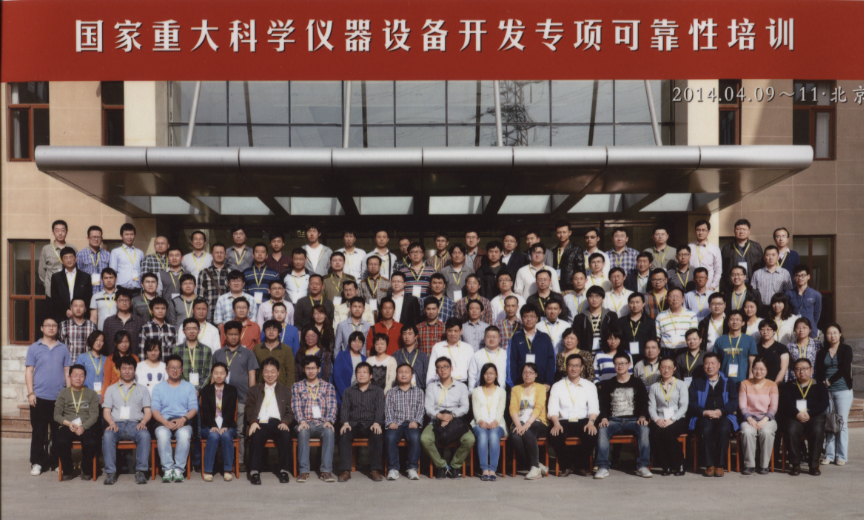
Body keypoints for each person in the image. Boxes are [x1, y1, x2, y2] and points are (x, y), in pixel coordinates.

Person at [25, 317, 71, 475]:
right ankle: (37, 462)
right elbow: (29, 371)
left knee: (58, 432)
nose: (51, 328)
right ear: (42, 328)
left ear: (58, 328)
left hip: (59, 397)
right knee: (39, 431)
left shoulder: (63, 348)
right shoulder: (34, 348)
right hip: (39, 396)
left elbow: (67, 371)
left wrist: (68, 394)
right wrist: (31, 392)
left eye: (54, 325)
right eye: (48, 325)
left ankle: (55, 461)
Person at [595, 351, 652, 479]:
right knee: (602, 430)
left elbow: (644, 402)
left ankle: (643, 466)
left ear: (629, 364)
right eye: (617, 364)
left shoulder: (637, 383)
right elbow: (602, 404)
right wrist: (603, 417)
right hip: (613, 420)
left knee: (644, 429)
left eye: (623, 363)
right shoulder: (608, 384)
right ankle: (603, 467)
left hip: (633, 420)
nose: (620, 366)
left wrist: (642, 416)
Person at [212, 320, 258, 468]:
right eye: (230, 334)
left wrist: (251, 397)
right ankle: (221, 460)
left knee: (239, 431)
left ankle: (240, 461)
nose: (233, 337)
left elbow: (252, 376)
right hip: (220, 400)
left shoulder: (248, 353)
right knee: (220, 429)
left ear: (240, 335)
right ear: (225, 335)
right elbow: (213, 376)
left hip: (242, 398)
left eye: (236, 334)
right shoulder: (218, 353)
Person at [101, 355, 151, 485]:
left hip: (135, 425)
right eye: (124, 368)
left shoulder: (143, 389)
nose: (127, 371)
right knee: (107, 435)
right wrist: (111, 423)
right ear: (119, 370)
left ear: (134, 370)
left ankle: (141, 471)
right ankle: (111, 472)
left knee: (145, 435)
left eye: (130, 368)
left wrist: (143, 422)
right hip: (116, 425)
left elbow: (147, 411)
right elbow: (106, 411)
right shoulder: (111, 389)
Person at [422, 357, 475, 479]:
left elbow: (465, 407)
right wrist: (440, 416)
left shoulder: (461, 386)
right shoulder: (431, 387)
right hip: (436, 420)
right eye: (439, 367)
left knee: (469, 439)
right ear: (436, 371)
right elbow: (428, 407)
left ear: (451, 368)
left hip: (455, 420)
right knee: (425, 439)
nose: (443, 370)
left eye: (445, 367)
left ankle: (454, 466)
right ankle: (441, 465)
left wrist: (451, 416)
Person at [688, 352, 739, 477]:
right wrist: (704, 412)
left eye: (713, 363)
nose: (709, 366)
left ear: (719, 365)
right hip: (704, 415)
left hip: (724, 415)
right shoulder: (697, 383)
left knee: (724, 429)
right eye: (706, 363)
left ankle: (720, 465)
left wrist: (722, 411)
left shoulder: (728, 382)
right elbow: (691, 402)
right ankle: (709, 465)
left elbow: (734, 402)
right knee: (706, 429)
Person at [547, 354, 599, 477]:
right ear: (566, 367)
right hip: (563, 421)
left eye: (577, 366)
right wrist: (556, 423)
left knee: (592, 433)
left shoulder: (590, 386)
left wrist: (591, 422)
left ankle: (581, 465)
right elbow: (552, 409)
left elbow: (594, 408)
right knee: (554, 434)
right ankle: (566, 466)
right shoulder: (557, 386)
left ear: (582, 368)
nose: (573, 368)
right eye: (571, 365)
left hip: (583, 420)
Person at [245, 357, 294, 484]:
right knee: (256, 435)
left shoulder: (285, 391)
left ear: (278, 373)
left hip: (278, 422)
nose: (270, 374)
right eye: (266, 371)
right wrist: (253, 421)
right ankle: (254, 472)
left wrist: (285, 422)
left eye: (273, 371)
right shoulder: (254, 390)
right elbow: (249, 408)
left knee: (285, 435)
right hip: (260, 422)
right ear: (262, 373)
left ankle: (284, 471)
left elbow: (290, 411)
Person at [151, 354, 198, 482]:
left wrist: (183, 419)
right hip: (163, 422)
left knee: (184, 434)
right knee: (162, 434)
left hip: (183, 421)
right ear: (166, 369)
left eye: (178, 367)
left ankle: (178, 470)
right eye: (171, 367)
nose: (175, 370)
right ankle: (167, 469)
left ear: (182, 369)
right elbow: (155, 410)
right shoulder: (158, 388)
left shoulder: (189, 387)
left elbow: (194, 408)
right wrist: (165, 422)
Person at [292, 356, 338, 483]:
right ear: (304, 369)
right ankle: (303, 471)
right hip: (304, 422)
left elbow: (332, 406)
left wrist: (329, 421)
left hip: (322, 423)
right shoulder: (297, 386)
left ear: (319, 369)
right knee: (302, 431)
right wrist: (301, 421)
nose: (310, 371)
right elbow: (295, 406)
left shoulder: (328, 387)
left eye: (313, 368)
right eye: (308, 368)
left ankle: (326, 471)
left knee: (329, 431)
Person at [338, 362, 385, 482]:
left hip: (371, 424)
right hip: (353, 424)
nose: (362, 375)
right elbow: (344, 409)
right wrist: (345, 422)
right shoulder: (348, 391)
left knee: (377, 434)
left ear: (370, 375)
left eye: (365, 372)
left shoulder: (378, 391)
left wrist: (377, 422)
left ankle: (375, 469)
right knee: (344, 433)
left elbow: (380, 409)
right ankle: (345, 470)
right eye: (359, 372)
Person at [780, 358, 828, 476]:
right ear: (794, 371)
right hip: (795, 416)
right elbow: (785, 403)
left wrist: (810, 414)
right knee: (790, 430)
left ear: (811, 370)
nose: (802, 372)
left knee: (817, 430)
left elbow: (824, 403)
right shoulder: (788, 386)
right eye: (798, 369)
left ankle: (814, 465)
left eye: (805, 369)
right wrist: (797, 414)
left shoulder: (819, 385)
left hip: (814, 416)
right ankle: (795, 464)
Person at [53, 364, 101, 480]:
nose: (78, 378)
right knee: (61, 440)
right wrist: (69, 424)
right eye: (75, 375)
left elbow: (94, 415)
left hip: (86, 426)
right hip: (68, 426)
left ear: (85, 378)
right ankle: (68, 469)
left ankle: (86, 468)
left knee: (91, 441)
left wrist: (83, 427)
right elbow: (57, 415)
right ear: (69, 377)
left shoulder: (92, 394)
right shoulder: (63, 393)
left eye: (81, 376)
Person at [817, 323, 853, 466]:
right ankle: (829, 455)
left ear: (840, 334)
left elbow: (844, 369)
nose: (832, 335)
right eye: (829, 333)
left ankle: (841, 455)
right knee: (829, 422)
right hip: (827, 391)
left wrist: (829, 381)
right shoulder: (822, 351)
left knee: (841, 422)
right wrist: (823, 384)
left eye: (834, 332)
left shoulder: (846, 349)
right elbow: (819, 370)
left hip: (842, 390)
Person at [647, 357, 689, 476]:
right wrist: (657, 419)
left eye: (669, 367)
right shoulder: (654, 387)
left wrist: (672, 420)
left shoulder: (681, 385)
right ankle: (666, 465)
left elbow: (684, 406)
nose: (666, 370)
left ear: (674, 368)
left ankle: (679, 463)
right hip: (660, 418)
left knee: (667, 432)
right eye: (663, 367)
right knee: (655, 432)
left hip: (678, 418)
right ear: (659, 368)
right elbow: (651, 407)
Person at [738, 357, 779, 475]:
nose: (758, 372)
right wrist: (749, 418)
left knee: (766, 432)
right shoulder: (744, 383)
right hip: (749, 418)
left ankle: (764, 465)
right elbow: (742, 405)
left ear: (767, 370)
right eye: (756, 368)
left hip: (767, 418)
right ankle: (749, 465)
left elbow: (773, 407)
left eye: (762, 369)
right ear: (752, 369)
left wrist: (764, 420)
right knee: (747, 432)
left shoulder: (772, 385)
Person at [384, 363, 425, 481]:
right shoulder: (391, 392)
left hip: (411, 423)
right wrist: (390, 422)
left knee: (415, 437)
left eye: (406, 372)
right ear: (397, 375)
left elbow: (421, 409)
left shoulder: (419, 392)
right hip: (396, 423)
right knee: (390, 437)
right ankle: (393, 469)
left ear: (412, 375)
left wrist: (416, 421)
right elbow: (388, 409)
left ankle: (412, 468)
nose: (403, 374)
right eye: (400, 372)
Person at [509, 364, 550, 480]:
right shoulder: (516, 389)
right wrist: (518, 424)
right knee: (515, 436)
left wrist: (527, 424)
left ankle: (535, 467)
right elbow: (513, 408)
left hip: (537, 421)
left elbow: (539, 407)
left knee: (528, 431)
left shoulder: (541, 388)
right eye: (525, 372)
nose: (528, 375)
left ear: (536, 375)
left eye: (531, 372)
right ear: (522, 374)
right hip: (520, 421)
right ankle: (536, 466)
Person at [467, 363, 506, 481]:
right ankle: (484, 469)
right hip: (479, 423)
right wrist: (480, 421)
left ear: (496, 375)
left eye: (491, 373)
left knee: (493, 435)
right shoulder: (476, 391)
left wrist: (496, 421)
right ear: (482, 375)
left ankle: (492, 470)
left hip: (497, 423)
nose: (488, 376)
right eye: (486, 373)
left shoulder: (501, 391)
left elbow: (501, 409)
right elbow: (476, 409)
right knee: (483, 436)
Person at [200, 362, 237, 482]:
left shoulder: (232, 390)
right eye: (216, 373)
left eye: (222, 373)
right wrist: (213, 425)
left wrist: (225, 425)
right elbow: (205, 411)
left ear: (226, 374)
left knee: (226, 435)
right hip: (209, 425)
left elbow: (231, 410)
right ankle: (208, 470)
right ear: (212, 374)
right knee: (214, 435)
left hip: (228, 424)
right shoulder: (206, 390)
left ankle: (227, 470)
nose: (219, 376)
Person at [508, 305, 556, 388]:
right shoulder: (516, 338)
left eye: (532, 316)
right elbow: (511, 362)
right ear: (521, 318)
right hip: (520, 384)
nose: (529, 319)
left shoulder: (545, 338)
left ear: (537, 318)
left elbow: (551, 361)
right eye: (526, 316)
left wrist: (548, 382)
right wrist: (514, 384)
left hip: (542, 384)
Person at [714, 310, 757, 385]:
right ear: (728, 323)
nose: (734, 322)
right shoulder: (720, 340)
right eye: (732, 319)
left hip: (743, 380)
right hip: (724, 380)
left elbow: (752, 361)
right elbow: (715, 361)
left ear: (743, 323)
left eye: (737, 319)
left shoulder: (750, 340)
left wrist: (751, 375)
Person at [427, 318, 474, 385]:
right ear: (446, 331)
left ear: (461, 331)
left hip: (462, 384)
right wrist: (429, 387)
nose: (453, 334)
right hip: (442, 384)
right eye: (450, 331)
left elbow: (472, 373)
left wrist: (471, 389)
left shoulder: (468, 348)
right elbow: (431, 372)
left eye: (456, 331)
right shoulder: (437, 347)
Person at [572, 286, 619, 353]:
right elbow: (576, 338)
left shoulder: (611, 316)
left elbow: (617, 335)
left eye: (597, 296)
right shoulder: (580, 318)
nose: (594, 299)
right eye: (591, 296)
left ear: (603, 298)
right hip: (586, 354)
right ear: (587, 299)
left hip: (606, 353)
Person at [50, 247, 91, 324]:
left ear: (75, 259)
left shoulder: (85, 277)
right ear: (62, 261)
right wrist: (65, 310)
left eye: (71, 257)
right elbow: (55, 298)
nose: (69, 260)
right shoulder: (56, 277)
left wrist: (79, 311)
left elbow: (88, 297)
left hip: (81, 316)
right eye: (65, 257)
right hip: (62, 316)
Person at [720, 219, 763, 291]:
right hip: (733, 285)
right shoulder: (727, 248)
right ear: (734, 231)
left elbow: (762, 265)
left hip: (752, 284)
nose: (741, 232)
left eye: (744, 229)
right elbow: (723, 269)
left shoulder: (756, 247)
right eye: (739, 229)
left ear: (749, 231)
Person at [655, 287, 699, 357]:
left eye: (677, 296)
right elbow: (657, 337)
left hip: (685, 351)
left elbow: (693, 335)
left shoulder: (691, 315)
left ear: (683, 299)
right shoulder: (660, 316)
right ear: (667, 299)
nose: (675, 299)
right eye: (671, 296)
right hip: (666, 352)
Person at [101, 289, 145, 356]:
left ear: (131, 302)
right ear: (116, 302)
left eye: (127, 300)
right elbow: (105, 344)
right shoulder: (109, 321)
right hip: (113, 360)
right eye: (121, 300)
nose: (124, 303)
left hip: (133, 360)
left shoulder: (139, 321)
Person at [253, 320, 295, 388]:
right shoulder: (257, 349)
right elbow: (254, 372)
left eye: (274, 330)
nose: (271, 332)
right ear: (264, 332)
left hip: (281, 388)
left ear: (279, 332)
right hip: (261, 388)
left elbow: (290, 372)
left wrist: (288, 390)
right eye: (268, 329)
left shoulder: (287, 349)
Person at [39, 220, 75, 299]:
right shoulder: (46, 249)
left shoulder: (73, 249)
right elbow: (41, 272)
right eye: (57, 230)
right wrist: (47, 285)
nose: (60, 233)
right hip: (51, 291)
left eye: (62, 230)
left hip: (69, 290)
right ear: (53, 232)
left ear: (66, 231)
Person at [196, 243, 229, 323]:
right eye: (216, 252)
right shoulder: (204, 273)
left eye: (221, 253)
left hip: (227, 314)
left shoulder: (230, 273)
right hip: (209, 315)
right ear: (212, 255)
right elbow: (200, 297)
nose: (219, 255)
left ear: (225, 255)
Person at [468, 326, 509, 390]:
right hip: (481, 391)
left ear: (499, 338)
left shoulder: (505, 355)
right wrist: (471, 391)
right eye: (489, 337)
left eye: (494, 337)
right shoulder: (477, 355)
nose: (491, 339)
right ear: (484, 338)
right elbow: (472, 376)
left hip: (501, 391)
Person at [786, 265, 821, 339]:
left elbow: (817, 314)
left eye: (803, 275)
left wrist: (811, 325)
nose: (800, 278)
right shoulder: (789, 294)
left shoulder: (816, 295)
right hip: (794, 330)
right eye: (797, 275)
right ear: (793, 277)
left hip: (811, 330)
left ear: (808, 276)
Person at [333, 331, 367, 405]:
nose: (357, 344)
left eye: (360, 342)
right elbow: (337, 376)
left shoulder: (364, 359)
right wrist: (345, 394)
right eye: (354, 341)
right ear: (350, 342)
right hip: (342, 395)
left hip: (359, 396)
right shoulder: (341, 355)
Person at [109, 223, 144, 295]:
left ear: (134, 236)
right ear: (121, 236)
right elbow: (113, 272)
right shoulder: (115, 252)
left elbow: (142, 271)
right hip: (121, 289)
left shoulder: (140, 253)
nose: (129, 237)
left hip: (136, 290)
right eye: (127, 234)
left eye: (131, 234)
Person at [102, 331, 140, 397]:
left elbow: (138, 379)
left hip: (131, 393)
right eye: (121, 342)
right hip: (114, 394)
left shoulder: (135, 358)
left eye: (126, 341)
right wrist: (104, 399)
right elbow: (106, 381)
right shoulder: (110, 359)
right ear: (115, 343)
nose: (124, 345)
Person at [621, 293, 657, 362]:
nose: (635, 305)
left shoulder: (650, 321)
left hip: (644, 358)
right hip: (626, 358)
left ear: (643, 304)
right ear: (628, 304)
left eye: (637, 302)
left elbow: (653, 340)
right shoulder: (621, 321)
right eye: (632, 302)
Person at [688, 219, 722, 291]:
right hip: (692, 287)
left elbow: (718, 269)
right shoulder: (689, 247)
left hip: (708, 287)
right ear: (695, 231)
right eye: (698, 230)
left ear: (708, 232)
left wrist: (713, 286)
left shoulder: (714, 248)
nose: (700, 233)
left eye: (703, 230)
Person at [752, 320, 790, 385]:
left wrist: (774, 386)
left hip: (776, 384)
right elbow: (752, 368)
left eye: (768, 329)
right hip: (758, 385)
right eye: (762, 329)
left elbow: (783, 369)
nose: (765, 332)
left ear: (774, 331)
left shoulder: (782, 348)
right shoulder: (755, 348)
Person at [76, 225, 111, 295]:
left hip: (104, 292)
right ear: (88, 238)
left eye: (98, 237)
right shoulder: (80, 254)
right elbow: (78, 275)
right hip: (87, 293)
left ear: (102, 239)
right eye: (93, 237)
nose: (96, 239)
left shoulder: (107, 254)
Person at [59, 298, 96, 363]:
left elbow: (94, 347)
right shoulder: (63, 325)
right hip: (69, 364)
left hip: (87, 363)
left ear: (85, 309)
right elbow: (60, 346)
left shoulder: (92, 326)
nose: (78, 309)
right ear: (71, 308)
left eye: (81, 306)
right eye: (75, 306)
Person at [551, 221, 584, 292]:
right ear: (556, 234)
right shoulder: (553, 251)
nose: (562, 235)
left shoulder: (576, 249)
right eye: (559, 232)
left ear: (570, 232)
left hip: (570, 287)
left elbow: (580, 269)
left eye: (564, 232)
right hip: (556, 286)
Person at [394, 325, 429, 391]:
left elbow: (426, 375)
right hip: (400, 390)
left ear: (416, 336)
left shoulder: (423, 356)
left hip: (419, 390)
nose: (407, 337)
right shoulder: (396, 355)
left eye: (410, 334)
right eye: (404, 334)